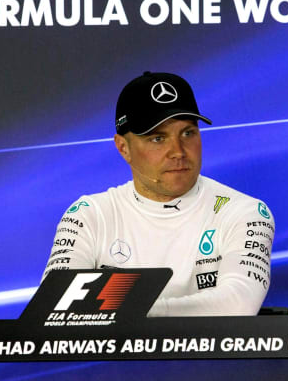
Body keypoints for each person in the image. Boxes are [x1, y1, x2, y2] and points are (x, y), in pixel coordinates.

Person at [43, 71, 273, 316]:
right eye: (158, 138)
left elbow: (238, 304)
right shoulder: (89, 216)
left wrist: (123, 312)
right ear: (123, 148)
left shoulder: (244, 212)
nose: (178, 151)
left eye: (188, 133)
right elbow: (56, 306)